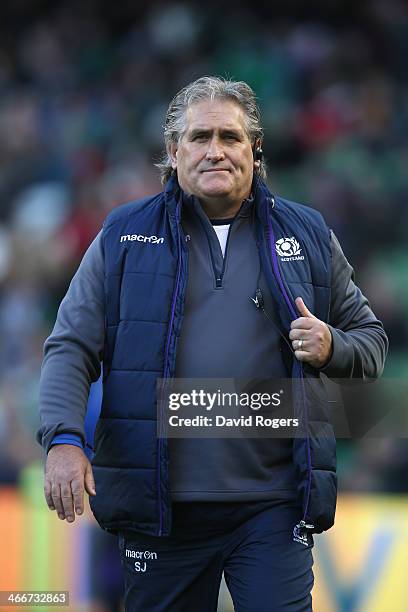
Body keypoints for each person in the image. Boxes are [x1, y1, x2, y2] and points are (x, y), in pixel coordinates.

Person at [37, 76, 388, 611]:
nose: (215, 151)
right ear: (174, 151)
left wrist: (331, 345)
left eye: (231, 136)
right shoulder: (123, 235)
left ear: (255, 149)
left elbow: (371, 342)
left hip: (273, 505)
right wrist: (63, 439)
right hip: (161, 511)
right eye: (200, 138)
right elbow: (70, 347)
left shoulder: (309, 233)